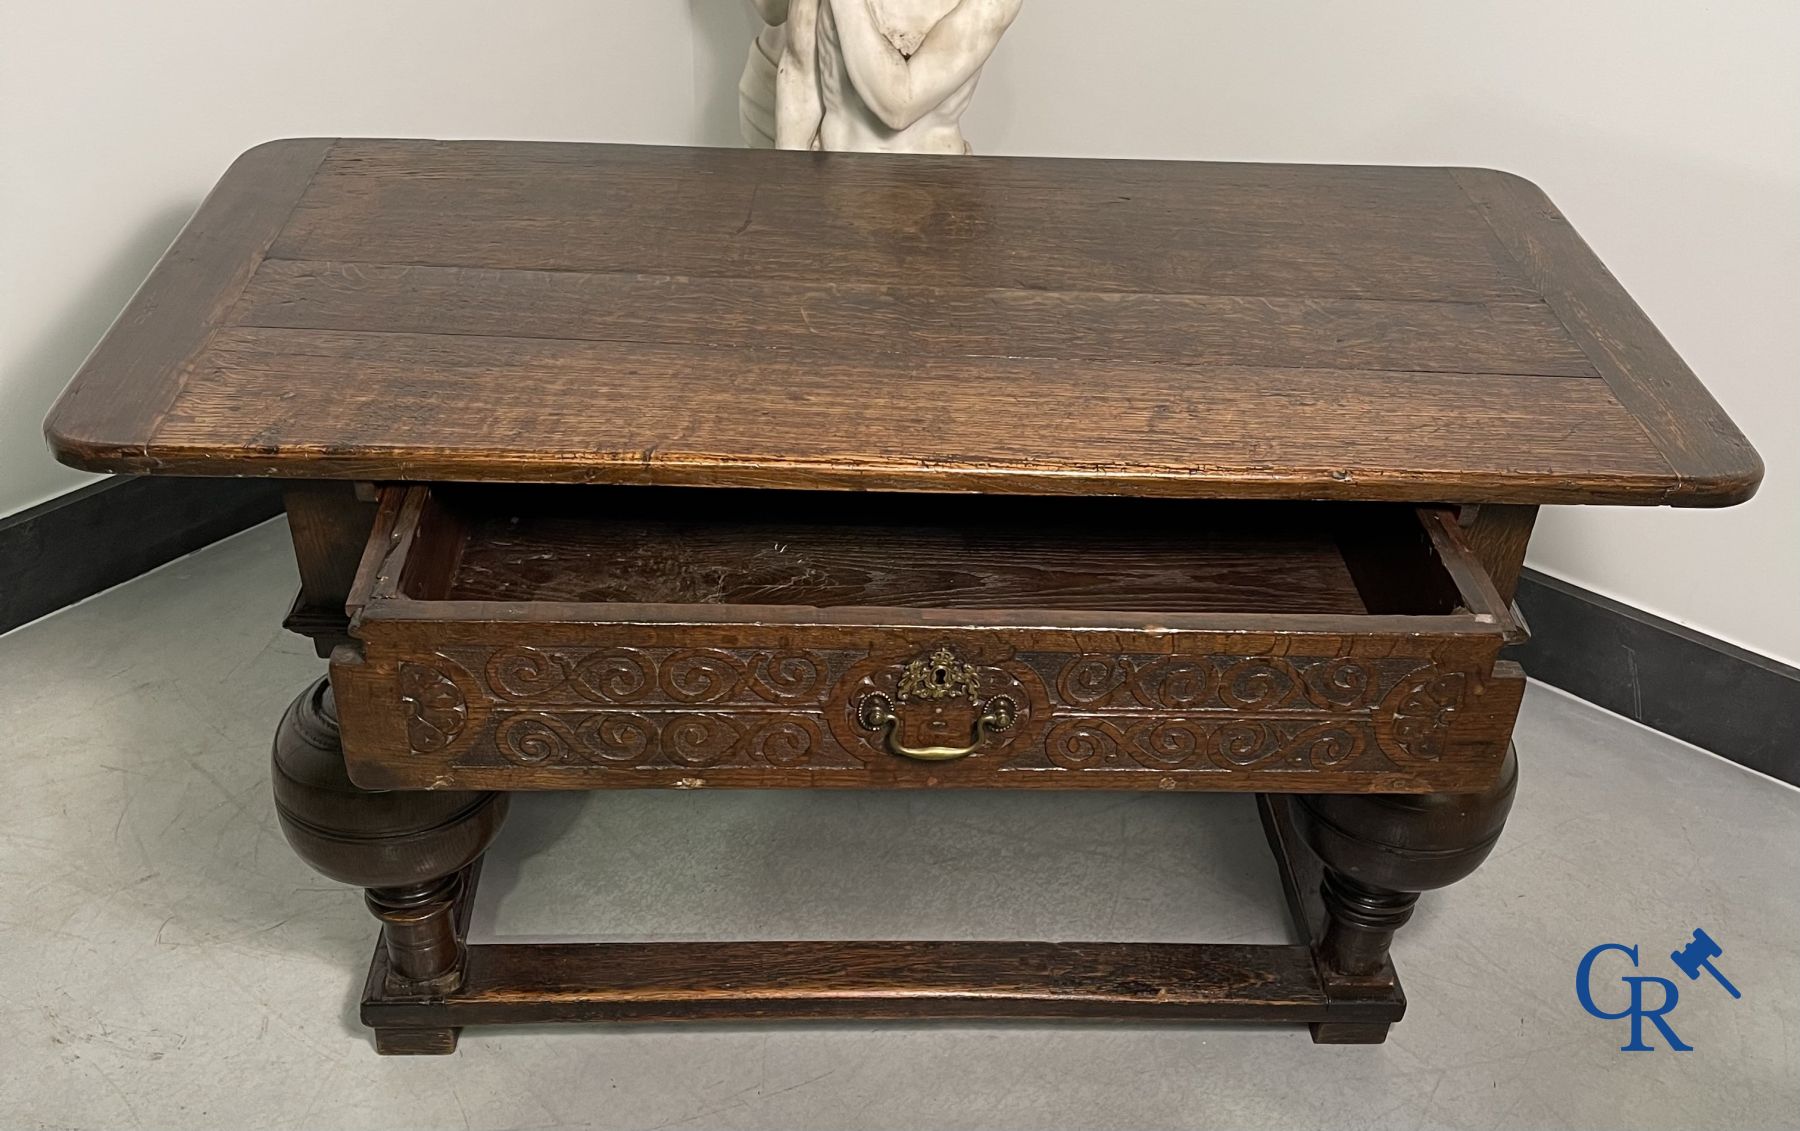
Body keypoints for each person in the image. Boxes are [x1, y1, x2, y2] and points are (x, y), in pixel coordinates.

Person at [765, 0, 1023, 154]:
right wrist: (789, 182)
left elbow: (899, 106)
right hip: (833, 179)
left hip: (931, 189)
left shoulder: (990, 5)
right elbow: (800, 70)